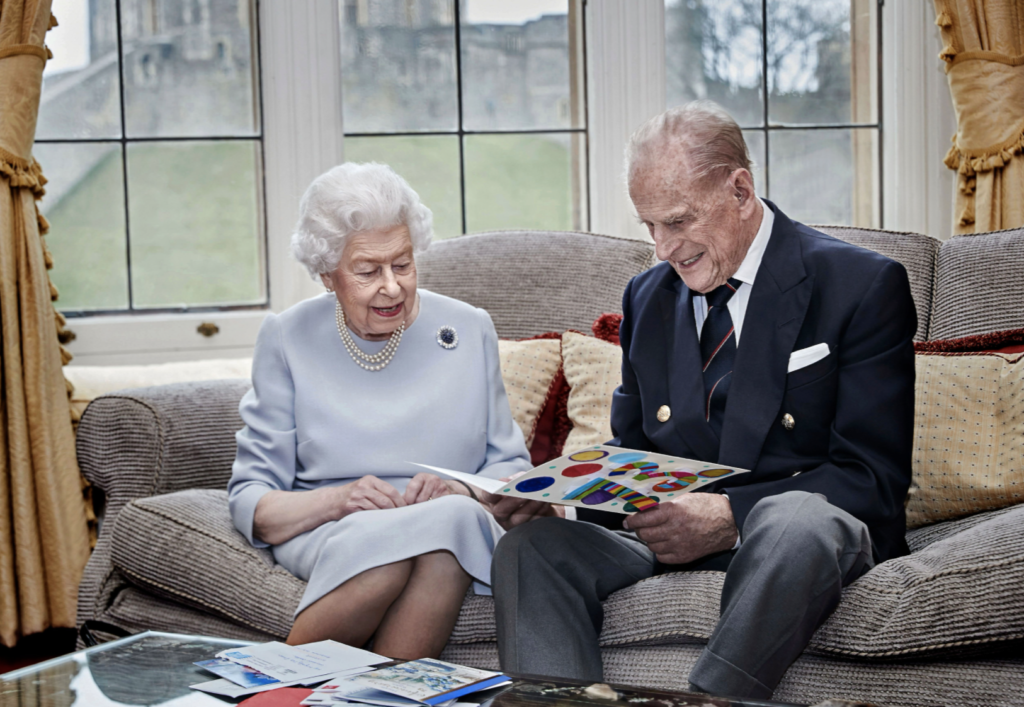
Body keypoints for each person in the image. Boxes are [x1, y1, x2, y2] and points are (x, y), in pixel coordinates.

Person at [488, 101, 916, 699]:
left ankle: (708, 700)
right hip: (667, 540)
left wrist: (729, 518)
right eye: (650, 226)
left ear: (740, 189)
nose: (664, 248)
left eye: (679, 221)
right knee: (531, 549)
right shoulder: (648, 296)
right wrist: (563, 501)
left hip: (791, 545)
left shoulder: (861, 286)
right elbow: (634, 452)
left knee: (797, 520)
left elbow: (873, 479)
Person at [228, 162, 533, 659]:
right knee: (404, 551)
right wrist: (338, 500)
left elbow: (511, 468)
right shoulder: (287, 337)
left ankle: (272, 688)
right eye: (368, 271)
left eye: (403, 264)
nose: (391, 287)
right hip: (330, 525)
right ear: (328, 275)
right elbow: (253, 500)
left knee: (446, 529)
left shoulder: (469, 327)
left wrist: (459, 487)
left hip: (448, 518)